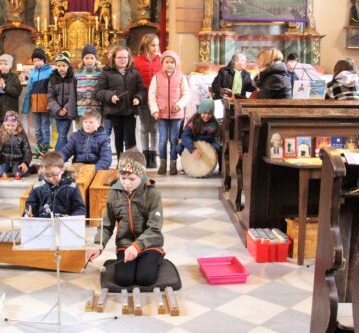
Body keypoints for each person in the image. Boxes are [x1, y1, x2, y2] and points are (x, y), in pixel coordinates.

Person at [87, 149, 165, 287]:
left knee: (145, 279)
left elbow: (154, 228)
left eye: (132, 179)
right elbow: (106, 225)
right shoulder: (114, 193)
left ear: (141, 175)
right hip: (125, 244)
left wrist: (137, 246)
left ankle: (156, 258)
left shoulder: (153, 193)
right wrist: (97, 245)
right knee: (123, 280)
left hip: (149, 245)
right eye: (123, 178)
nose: (127, 183)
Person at [95, 46, 147, 160]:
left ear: (129, 59)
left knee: (131, 138)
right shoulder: (106, 74)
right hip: (115, 111)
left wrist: (138, 97)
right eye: (119, 57)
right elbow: (98, 92)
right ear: (113, 58)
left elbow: (142, 89)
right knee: (118, 138)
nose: (123, 60)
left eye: (125, 57)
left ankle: (132, 161)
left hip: (130, 111)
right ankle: (120, 160)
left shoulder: (134, 73)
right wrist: (110, 96)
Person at [148, 50, 190, 175]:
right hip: (161, 114)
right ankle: (162, 163)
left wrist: (179, 105)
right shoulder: (156, 77)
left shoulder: (181, 77)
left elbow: (186, 94)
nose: (170, 64)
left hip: (176, 115)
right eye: (167, 62)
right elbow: (151, 95)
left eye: (172, 62)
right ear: (162, 63)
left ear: (176, 64)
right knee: (162, 139)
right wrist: (155, 110)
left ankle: (173, 163)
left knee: (174, 139)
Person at [24, 151, 86, 218]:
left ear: (62, 170)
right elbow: (30, 206)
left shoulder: (71, 187)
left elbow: (80, 209)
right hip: (43, 225)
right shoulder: (37, 187)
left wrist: (71, 218)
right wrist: (28, 214)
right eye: (46, 175)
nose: (50, 179)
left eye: (54, 175)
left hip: (64, 225)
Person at [133, 33, 162, 168]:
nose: (156, 48)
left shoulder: (161, 60)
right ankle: (145, 154)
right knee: (144, 127)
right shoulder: (137, 61)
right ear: (146, 46)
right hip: (143, 99)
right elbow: (134, 81)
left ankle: (153, 155)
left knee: (155, 128)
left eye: (157, 45)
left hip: (157, 100)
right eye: (153, 45)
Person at [22, 47, 54, 156]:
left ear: (44, 60)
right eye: (34, 61)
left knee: (45, 127)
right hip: (35, 104)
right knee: (38, 128)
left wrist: (51, 104)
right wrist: (26, 107)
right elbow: (29, 90)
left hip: (45, 104)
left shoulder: (50, 71)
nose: (37, 63)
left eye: (39, 60)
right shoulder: (33, 74)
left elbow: (52, 89)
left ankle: (45, 147)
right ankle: (40, 147)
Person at [178, 99, 221, 171]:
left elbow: (208, 138)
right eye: (204, 113)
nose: (206, 116)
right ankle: (188, 164)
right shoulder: (193, 122)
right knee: (179, 148)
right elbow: (185, 136)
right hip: (193, 143)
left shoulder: (214, 125)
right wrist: (193, 149)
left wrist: (196, 139)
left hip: (208, 143)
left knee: (218, 147)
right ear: (200, 112)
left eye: (209, 113)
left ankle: (220, 168)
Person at [0, 54, 23, 140]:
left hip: (10, 111)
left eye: (5, 64)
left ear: (10, 65)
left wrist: (5, 87)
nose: (3, 66)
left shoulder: (14, 77)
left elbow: (17, 91)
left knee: (11, 134)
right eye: (1, 64)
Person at [48, 51, 77, 151]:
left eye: (63, 65)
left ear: (68, 66)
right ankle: (63, 155)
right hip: (57, 112)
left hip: (68, 111)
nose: (61, 68)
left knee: (62, 134)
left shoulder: (73, 78)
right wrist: (58, 109)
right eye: (59, 65)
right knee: (62, 134)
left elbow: (75, 95)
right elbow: (50, 97)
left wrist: (66, 108)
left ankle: (58, 156)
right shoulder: (52, 79)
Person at [0, 111, 32, 177]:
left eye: (13, 125)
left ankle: (32, 168)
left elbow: (27, 151)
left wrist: (25, 163)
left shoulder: (21, 135)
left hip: (18, 161)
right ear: (4, 124)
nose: (10, 128)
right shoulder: (1, 134)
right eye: (8, 125)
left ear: (17, 124)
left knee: (18, 174)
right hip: (5, 161)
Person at [75, 44, 102, 129]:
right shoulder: (77, 74)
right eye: (86, 58)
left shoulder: (100, 73)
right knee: (81, 131)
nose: (89, 61)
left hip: (95, 107)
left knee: (95, 132)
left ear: (96, 59)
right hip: (81, 108)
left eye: (92, 58)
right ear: (82, 59)